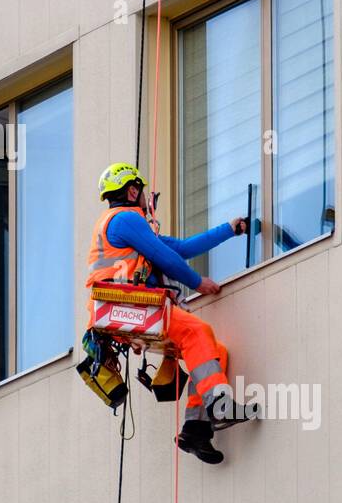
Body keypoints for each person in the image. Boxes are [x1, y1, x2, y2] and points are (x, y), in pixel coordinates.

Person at [86, 162, 253, 464]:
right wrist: (198, 282)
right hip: (126, 305)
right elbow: (165, 258)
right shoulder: (126, 219)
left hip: (123, 309)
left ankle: (196, 428)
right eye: (142, 192)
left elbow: (181, 248)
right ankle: (220, 403)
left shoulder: (123, 224)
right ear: (133, 190)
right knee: (197, 331)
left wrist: (229, 229)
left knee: (214, 351)